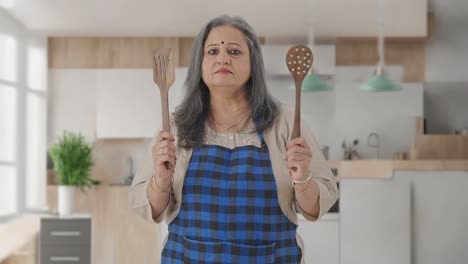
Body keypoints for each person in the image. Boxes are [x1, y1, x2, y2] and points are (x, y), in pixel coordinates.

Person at [129, 14, 338, 263]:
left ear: (253, 64)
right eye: (213, 51)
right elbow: (149, 209)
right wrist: (161, 180)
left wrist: (302, 179)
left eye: (235, 51)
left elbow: (315, 207)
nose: (223, 58)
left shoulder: (285, 122)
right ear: (200, 64)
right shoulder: (176, 127)